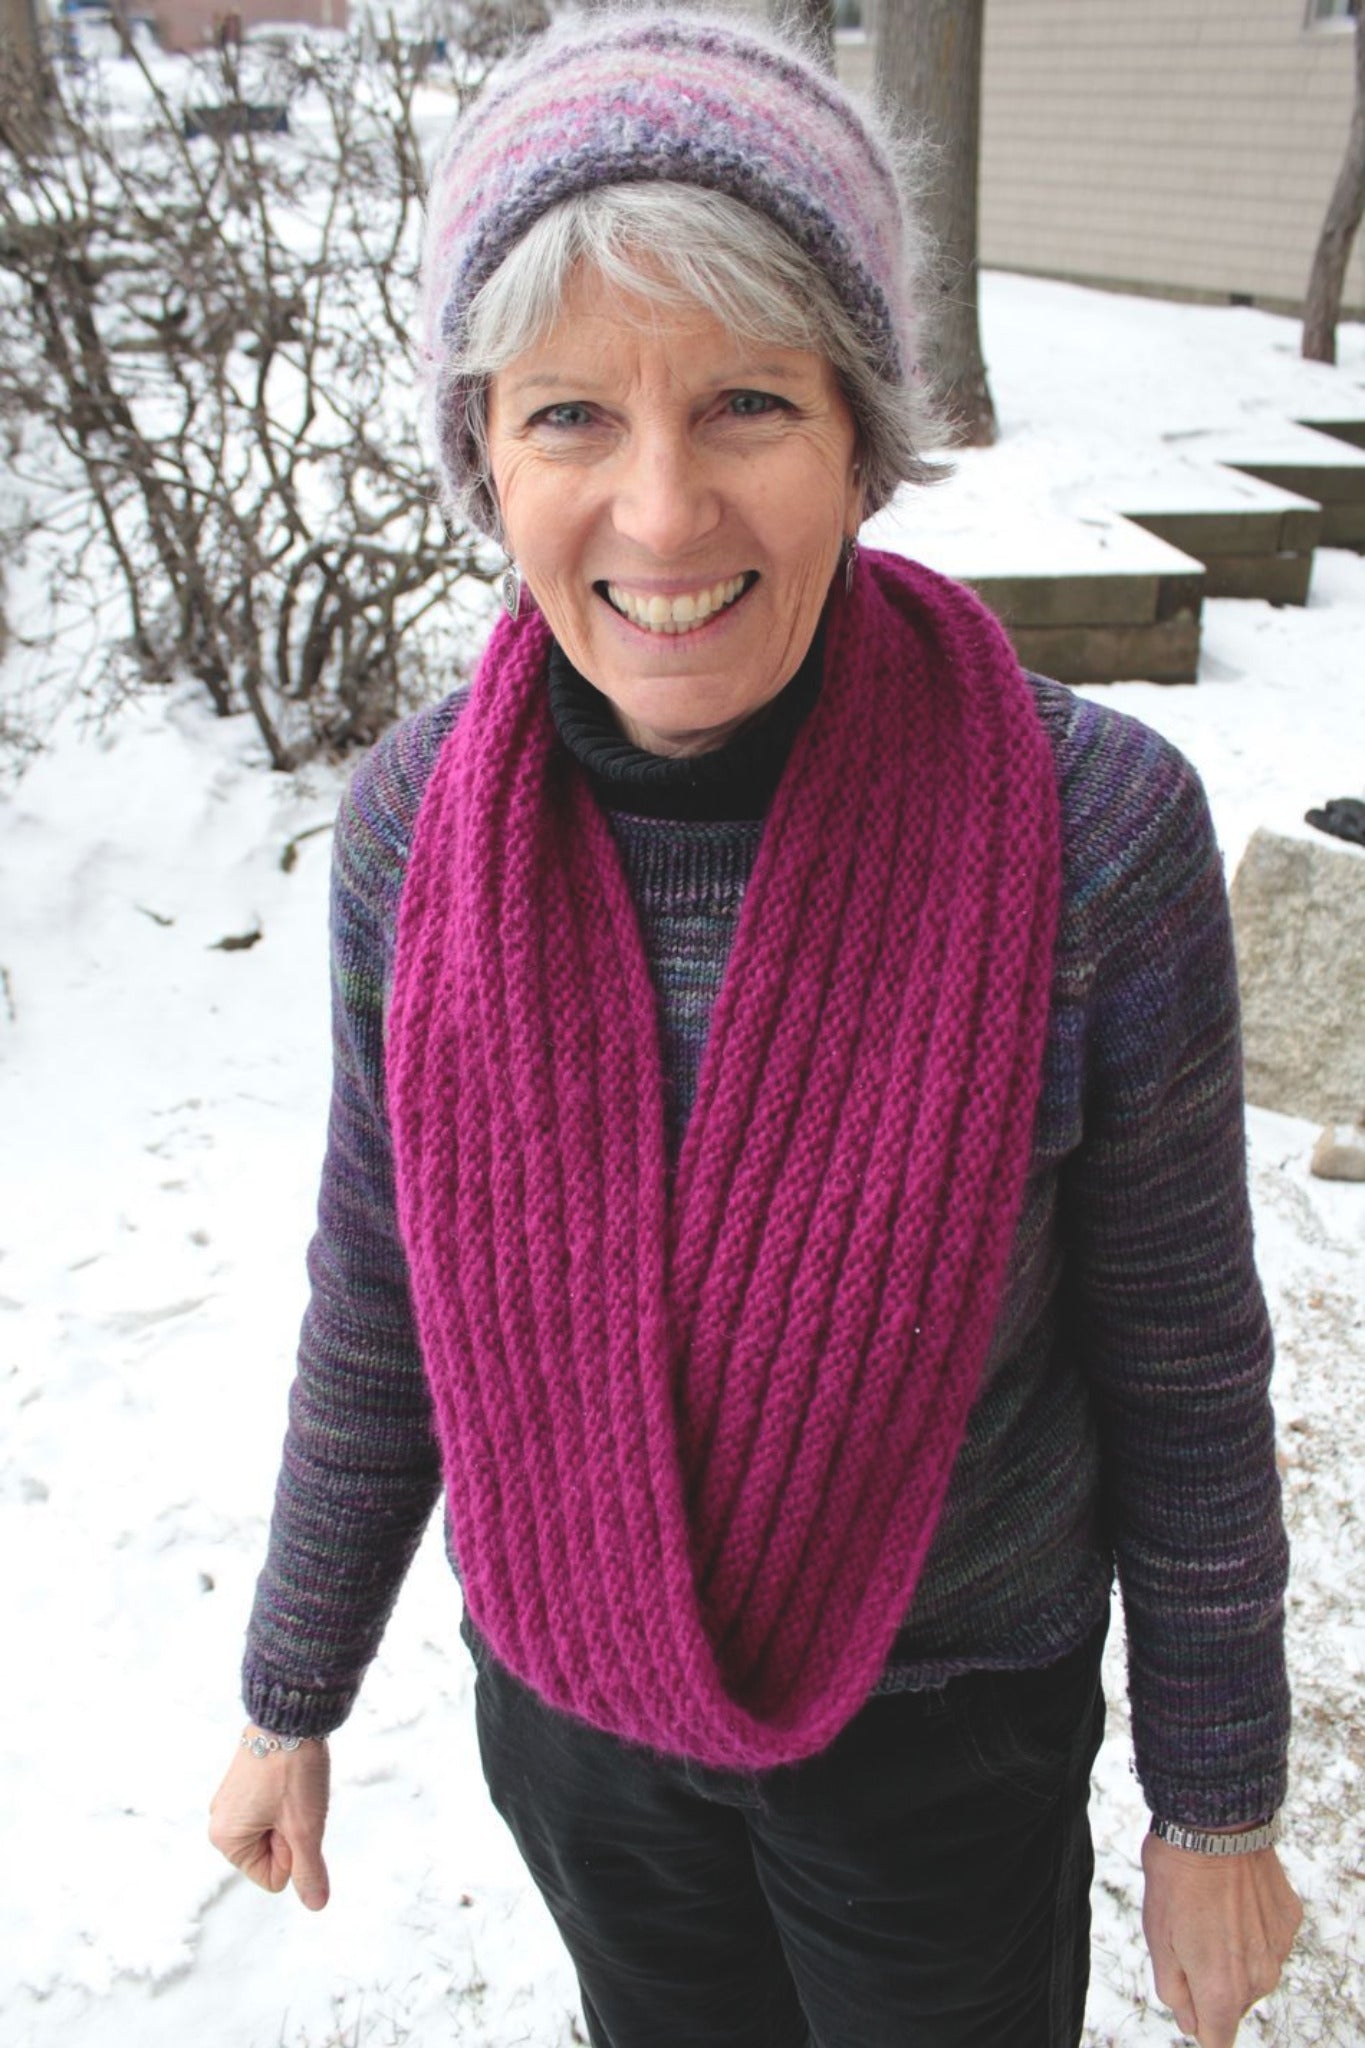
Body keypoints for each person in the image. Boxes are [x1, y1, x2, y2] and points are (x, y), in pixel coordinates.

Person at [209, 12, 1302, 2045]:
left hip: (945, 1736)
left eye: (741, 403)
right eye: (565, 420)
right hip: (573, 1706)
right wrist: (293, 1687)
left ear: (857, 434)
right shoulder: (410, 835)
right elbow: (385, 1285)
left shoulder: (1085, 834)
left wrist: (1210, 1805)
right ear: (485, 453)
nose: (657, 511)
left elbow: (1173, 1362)